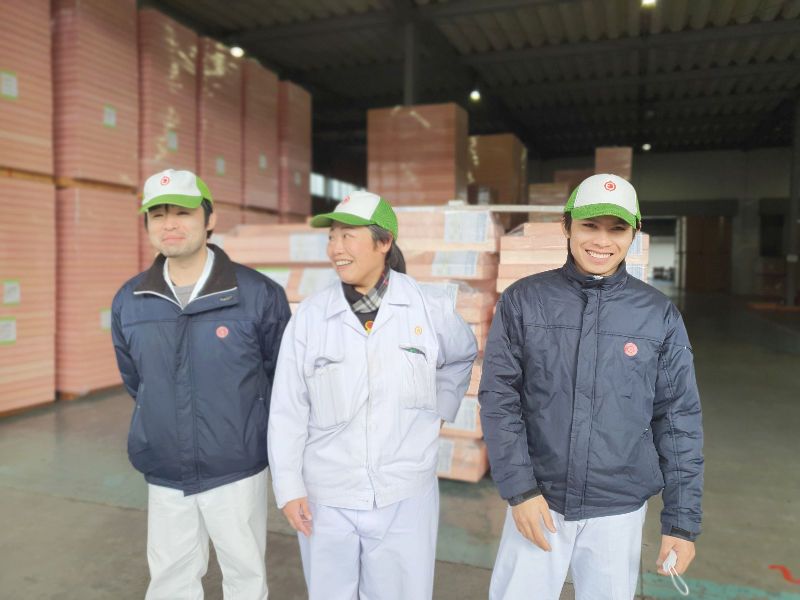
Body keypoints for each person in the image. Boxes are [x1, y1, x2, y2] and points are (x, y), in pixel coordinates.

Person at [479, 174, 704, 599]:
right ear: (567, 226)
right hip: (539, 500)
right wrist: (520, 490)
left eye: (617, 228)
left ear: (634, 233)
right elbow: (499, 399)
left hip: (617, 509)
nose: (602, 241)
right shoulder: (524, 301)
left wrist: (681, 521)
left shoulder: (657, 314)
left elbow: (678, 419)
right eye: (589, 225)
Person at [267, 191, 478, 600]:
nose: (335, 248)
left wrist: (439, 409)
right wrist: (289, 487)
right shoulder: (310, 316)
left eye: (348, 236)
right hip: (328, 493)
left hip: (405, 491)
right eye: (332, 236)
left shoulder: (428, 307)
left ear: (384, 242)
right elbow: (288, 407)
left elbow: (461, 356)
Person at [111, 169, 291, 599]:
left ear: (210, 219)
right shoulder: (130, 301)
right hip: (165, 464)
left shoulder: (258, 294)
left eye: (182, 213)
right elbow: (136, 380)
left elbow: (281, 378)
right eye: (158, 215)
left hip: (235, 465)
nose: (169, 224)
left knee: (245, 575)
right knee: (170, 578)